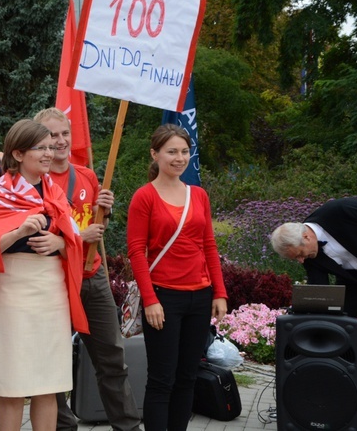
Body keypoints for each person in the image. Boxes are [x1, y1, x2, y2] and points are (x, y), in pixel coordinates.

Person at [0, 119, 88, 431]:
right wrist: (18, 230)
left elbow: (73, 239)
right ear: (17, 154)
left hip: (51, 289)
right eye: (40, 148)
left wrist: (60, 243)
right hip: (13, 289)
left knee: (48, 383)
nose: (49, 152)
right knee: (12, 385)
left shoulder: (55, 193)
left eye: (50, 147)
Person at [34, 107, 142, 431]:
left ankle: (128, 426)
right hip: (55, 280)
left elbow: (97, 225)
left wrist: (103, 212)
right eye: (52, 135)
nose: (61, 140)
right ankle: (64, 426)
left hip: (91, 278)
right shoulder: (33, 182)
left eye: (65, 133)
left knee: (112, 359)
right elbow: (39, 238)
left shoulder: (87, 176)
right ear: (39, 139)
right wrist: (80, 237)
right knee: (52, 365)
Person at [126, 124, 227, 431]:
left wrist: (219, 292)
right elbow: (136, 252)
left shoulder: (198, 195)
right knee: (161, 379)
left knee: (187, 377)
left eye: (184, 151)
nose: (179, 158)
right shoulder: (144, 197)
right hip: (164, 297)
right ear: (155, 154)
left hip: (200, 295)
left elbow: (209, 245)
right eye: (171, 152)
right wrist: (150, 299)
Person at [271, 197, 357, 317]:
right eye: (296, 258)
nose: (301, 260)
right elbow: (320, 290)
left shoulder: (339, 210)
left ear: (306, 237)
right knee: (338, 324)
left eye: (300, 254)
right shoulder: (309, 256)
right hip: (355, 280)